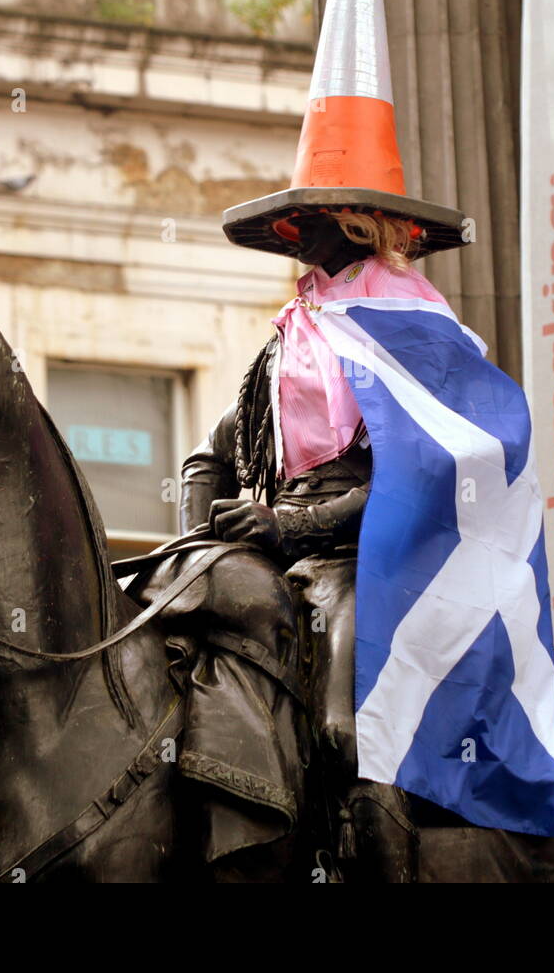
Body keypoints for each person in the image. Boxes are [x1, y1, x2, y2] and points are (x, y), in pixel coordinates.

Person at [180, 205, 450, 881]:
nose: (299, 240)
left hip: (373, 557)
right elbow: (205, 459)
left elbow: (418, 475)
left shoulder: (408, 324)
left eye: (315, 223)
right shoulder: (290, 338)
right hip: (274, 558)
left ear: (360, 225)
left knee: (345, 730)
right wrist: (193, 552)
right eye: (295, 227)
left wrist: (293, 526)